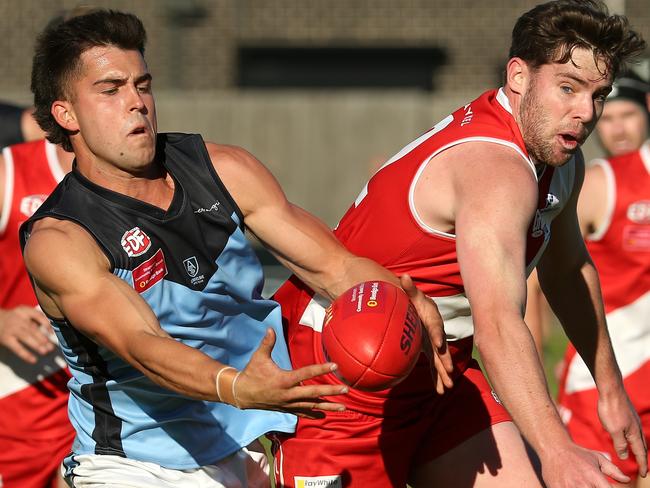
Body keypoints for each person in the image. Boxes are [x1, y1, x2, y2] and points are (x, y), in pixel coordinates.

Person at [20, 9, 451, 488]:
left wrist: (403, 299)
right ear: (66, 114)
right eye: (111, 89)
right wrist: (237, 386)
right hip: (131, 465)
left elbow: (335, 267)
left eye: (142, 84)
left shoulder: (222, 169)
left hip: (238, 451)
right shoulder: (61, 239)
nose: (137, 102)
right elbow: (144, 347)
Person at [270, 1, 648, 487]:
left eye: (597, 95)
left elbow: (567, 268)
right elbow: (498, 326)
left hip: (440, 367)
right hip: (346, 373)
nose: (584, 112)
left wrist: (610, 389)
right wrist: (556, 449)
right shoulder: (496, 170)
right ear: (518, 76)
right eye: (568, 88)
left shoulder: (556, 151)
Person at [555, 70, 650, 487]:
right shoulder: (599, 182)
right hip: (611, 380)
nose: (616, 129)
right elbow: (543, 278)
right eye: (607, 117)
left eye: (626, 115)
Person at [0, 139, 74, 488]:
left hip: (104, 416)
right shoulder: (10, 174)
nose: (132, 102)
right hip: (16, 412)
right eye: (110, 88)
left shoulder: (149, 184)